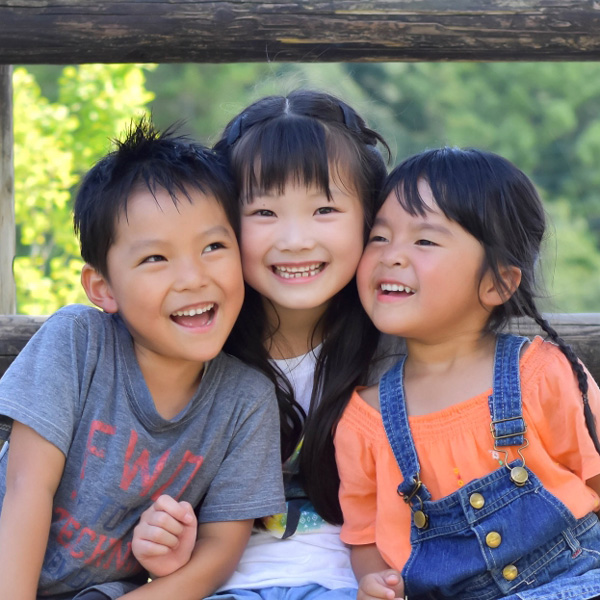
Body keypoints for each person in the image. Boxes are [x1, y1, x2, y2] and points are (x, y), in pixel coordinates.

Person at [0, 117, 286, 600]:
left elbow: (219, 552)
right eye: (156, 259)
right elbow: (28, 489)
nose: (194, 278)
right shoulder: (78, 342)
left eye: (214, 247)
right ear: (103, 288)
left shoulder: (246, 401)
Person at [132, 89, 401, 599]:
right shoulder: (192, 348)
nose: (295, 239)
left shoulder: (398, 351)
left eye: (324, 209)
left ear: (370, 217)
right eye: (263, 213)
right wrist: (160, 544)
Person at [334, 146, 600, 600]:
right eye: (379, 237)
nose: (391, 255)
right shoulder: (366, 421)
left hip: (575, 583)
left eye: (424, 241)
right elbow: (365, 539)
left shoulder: (543, 375)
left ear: (497, 281)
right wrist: (374, 581)